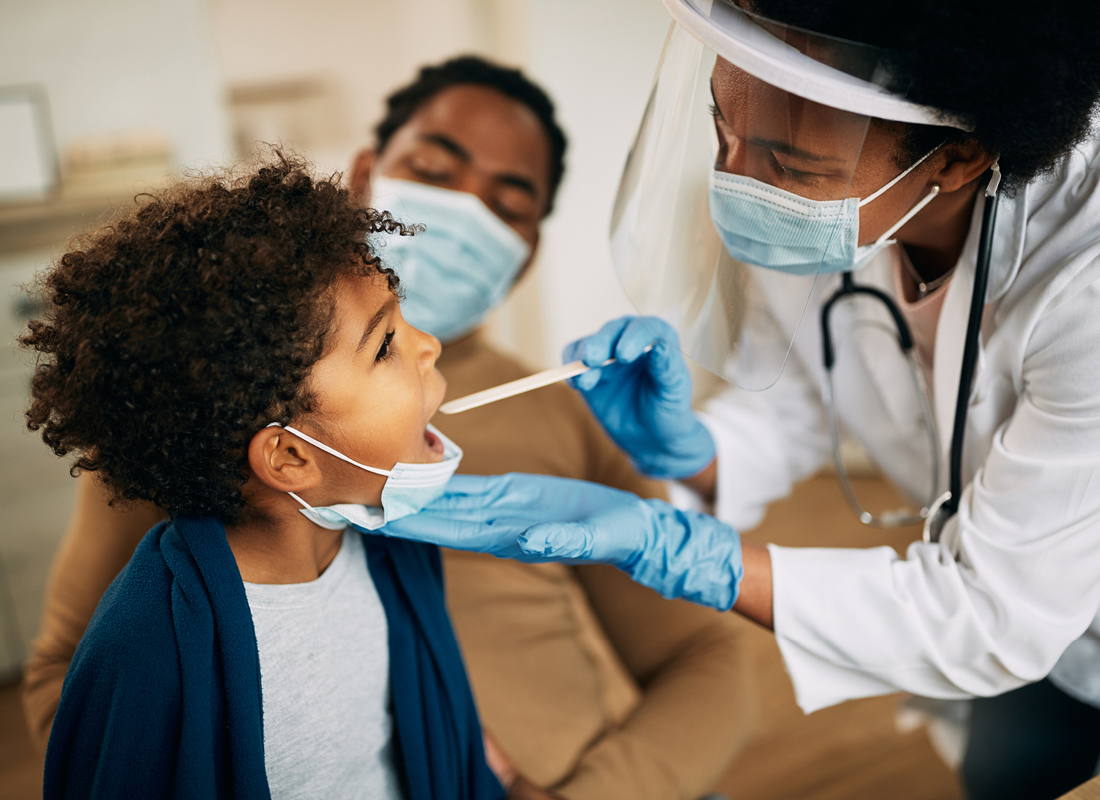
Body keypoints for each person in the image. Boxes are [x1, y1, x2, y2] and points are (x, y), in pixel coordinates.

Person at [377, 4, 1100, 799]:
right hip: (1030, 657)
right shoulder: (833, 210)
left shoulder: (1083, 288)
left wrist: (688, 555)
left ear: (958, 159)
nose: (741, 184)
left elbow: (990, 614)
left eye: (790, 168)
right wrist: (689, 451)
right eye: (726, 133)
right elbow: (794, 404)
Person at [22, 57, 750, 800]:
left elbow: (703, 654)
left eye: (508, 201)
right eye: (435, 168)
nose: (463, 213)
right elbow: (76, 682)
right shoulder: (193, 404)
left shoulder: (571, 410)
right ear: (367, 172)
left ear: (529, 247)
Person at [20, 151, 507, 799]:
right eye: (385, 344)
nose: (429, 344)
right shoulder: (142, 653)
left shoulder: (397, 554)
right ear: (288, 458)